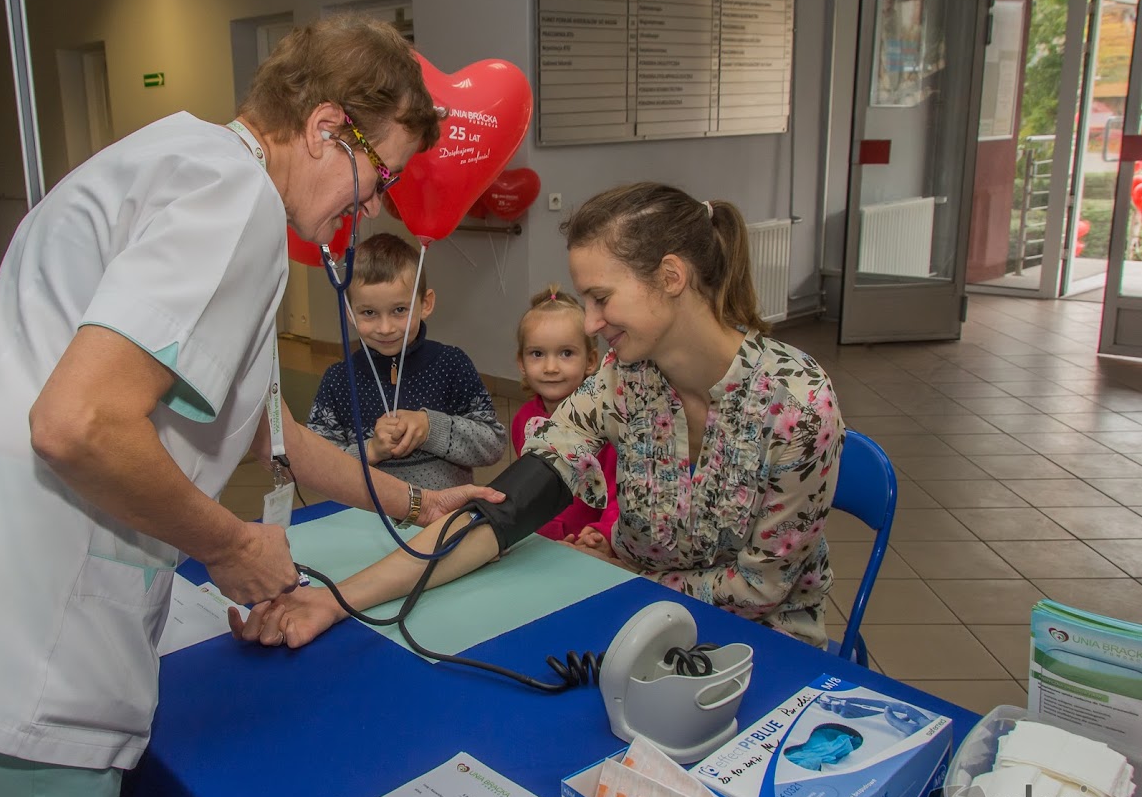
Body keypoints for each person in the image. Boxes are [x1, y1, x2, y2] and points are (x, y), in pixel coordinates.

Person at [0, 14, 500, 797]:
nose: (371, 207)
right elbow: (78, 423)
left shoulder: (172, 158)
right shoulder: (236, 204)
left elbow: (274, 427)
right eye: (379, 179)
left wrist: (417, 498)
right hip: (19, 650)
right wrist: (229, 546)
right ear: (327, 128)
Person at [232, 182, 842, 652]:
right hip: (630, 616)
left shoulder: (797, 406)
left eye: (602, 298)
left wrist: (625, 573)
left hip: (756, 647)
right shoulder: (626, 378)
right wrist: (336, 602)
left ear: (672, 277)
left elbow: (762, 587)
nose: (592, 322)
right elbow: (503, 510)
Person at [307, 232, 507, 490]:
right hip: (366, 520)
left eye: (400, 310)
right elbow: (317, 465)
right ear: (349, 312)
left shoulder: (452, 365)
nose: (386, 327)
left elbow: (492, 445)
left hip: (443, 520)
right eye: (369, 313)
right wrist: (370, 451)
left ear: (426, 303)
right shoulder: (338, 380)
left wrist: (430, 428)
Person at [511, 285, 618, 545]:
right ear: (521, 363)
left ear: (591, 361)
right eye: (537, 354)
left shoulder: (606, 425)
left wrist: (602, 534)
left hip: (587, 547)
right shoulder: (523, 420)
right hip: (539, 545)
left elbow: (619, 496)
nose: (550, 367)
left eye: (566, 353)